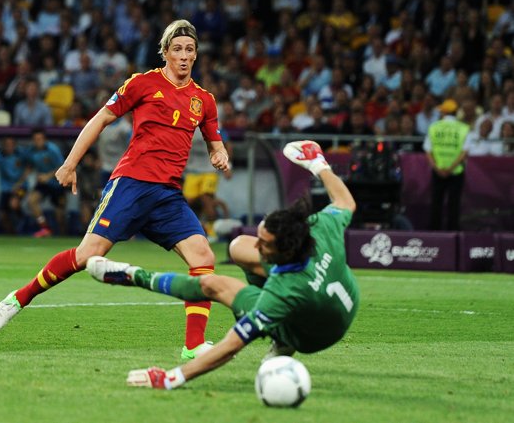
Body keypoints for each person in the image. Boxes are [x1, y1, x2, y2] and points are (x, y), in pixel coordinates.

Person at [0, 20, 230, 361]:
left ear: (196, 55)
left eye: (189, 49)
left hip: (167, 196)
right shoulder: (142, 83)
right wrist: (70, 163)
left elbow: (215, 143)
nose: (183, 55)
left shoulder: (204, 100)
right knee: (86, 255)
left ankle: (193, 346)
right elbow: (100, 119)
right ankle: (19, 298)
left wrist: (220, 154)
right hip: (131, 184)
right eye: (177, 49)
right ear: (165, 53)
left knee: (203, 257)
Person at [85, 140, 359, 390]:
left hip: (310, 336)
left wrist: (170, 378)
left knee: (211, 284)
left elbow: (229, 347)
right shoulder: (321, 228)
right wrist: (318, 164)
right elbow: (345, 202)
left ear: (284, 250)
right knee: (239, 247)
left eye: (264, 244)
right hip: (341, 301)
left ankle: (133, 275)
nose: (258, 246)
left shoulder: (281, 294)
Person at [423, 99, 471, 231]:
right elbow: (464, 153)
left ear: (444, 112)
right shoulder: (464, 128)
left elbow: (428, 150)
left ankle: (435, 232)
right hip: (456, 172)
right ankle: (453, 233)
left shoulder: (434, 127)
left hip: (438, 171)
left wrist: (437, 168)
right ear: (456, 112)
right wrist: (450, 169)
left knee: (436, 203)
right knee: (454, 204)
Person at [25, 128, 67, 237]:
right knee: (31, 201)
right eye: (35, 139)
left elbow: (62, 166)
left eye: (40, 139)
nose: (37, 141)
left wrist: (47, 176)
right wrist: (22, 180)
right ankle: (45, 228)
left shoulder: (53, 150)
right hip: (43, 183)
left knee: (60, 215)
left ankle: (63, 236)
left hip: (57, 183)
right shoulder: (31, 151)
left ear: (44, 139)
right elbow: (30, 165)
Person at [0, 137, 29, 234]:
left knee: (14, 204)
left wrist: (20, 182)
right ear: (3, 145)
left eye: (11, 144)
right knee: (2, 215)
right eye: (6, 144)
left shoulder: (21, 153)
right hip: (6, 188)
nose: (9, 147)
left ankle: (24, 219)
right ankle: (12, 233)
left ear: (15, 145)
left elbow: (29, 166)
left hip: (20, 186)